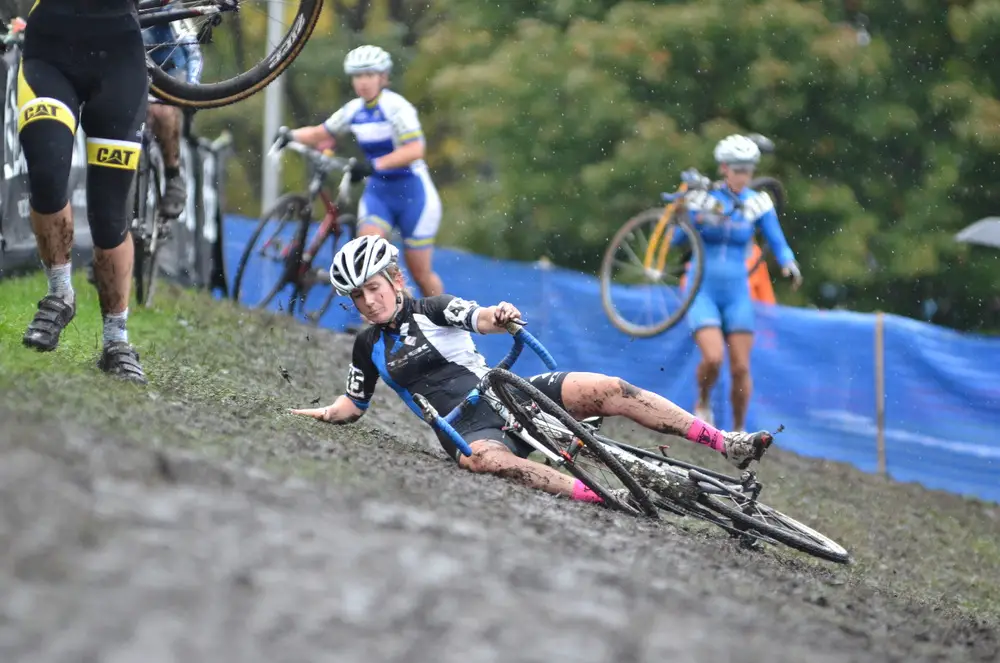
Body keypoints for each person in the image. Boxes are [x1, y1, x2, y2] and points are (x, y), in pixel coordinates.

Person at [289, 235, 774, 506]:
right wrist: (320, 413)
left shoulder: (432, 308)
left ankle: (724, 443)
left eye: (373, 287)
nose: (368, 301)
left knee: (608, 386)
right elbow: (353, 404)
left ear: (395, 279)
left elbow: (475, 316)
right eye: (357, 296)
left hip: (509, 392)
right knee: (483, 463)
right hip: (467, 430)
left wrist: (498, 316)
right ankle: (600, 497)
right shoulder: (366, 346)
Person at [17, 0, 149, 383]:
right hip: (49, 52)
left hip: (119, 61)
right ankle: (60, 295)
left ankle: (116, 342)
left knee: (110, 217)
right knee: (46, 170)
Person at [275, 44, 444, 299]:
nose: (362, 82)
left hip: (414, 196)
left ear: (383, 77)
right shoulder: (353, 110)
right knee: (368, 258)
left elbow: (415, 149)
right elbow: (321, 132)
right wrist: (290, 135)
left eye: (369, 75)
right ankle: (375, 325)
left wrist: (374, 165)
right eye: (357, 76)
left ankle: (443, 323)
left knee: (420, 274)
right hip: (379, 193)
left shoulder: (396, 107)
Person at [683, 134, 802, 430]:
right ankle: (702, 401)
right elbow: (676, 237)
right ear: (724, 169)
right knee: (713, 358)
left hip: (737, 292)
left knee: (740, 367)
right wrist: (696, 219)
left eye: (748, 170)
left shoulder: (757, 203)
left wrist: (789, 263)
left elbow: (777, 239)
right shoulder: (707, 198)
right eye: (737, 170)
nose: (743, 177)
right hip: (703, 290)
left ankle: (737, 432)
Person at [141, 8, 203, 219]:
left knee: (163, 111)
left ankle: (173, 175)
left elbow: (193, 50)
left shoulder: (168, 6)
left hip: (168, 70)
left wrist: (192, 87)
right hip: (133, 69)